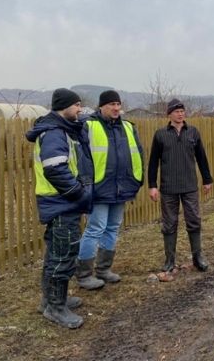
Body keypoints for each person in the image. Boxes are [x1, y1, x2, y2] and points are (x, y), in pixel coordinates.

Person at [25, 88, 93, 329]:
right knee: (64, 254)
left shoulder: (63, 129)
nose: (79, 109)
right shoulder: (55, 133)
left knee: (56, 252)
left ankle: (51, 300)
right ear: (63, 107)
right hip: (62, 202)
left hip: (61, 202)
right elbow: (55, 169)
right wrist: (77, 193)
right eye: (76, 105)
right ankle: (56, 307)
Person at [76, 90, 144, 290]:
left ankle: (103, 269)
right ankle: (84, 274)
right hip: (98, 189)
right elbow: (83, 159)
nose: (116, 108)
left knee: (113, 227)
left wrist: (136, 180)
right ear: (101, 106)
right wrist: (86, 185)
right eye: (111, 104)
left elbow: (138, 154)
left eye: (118, 104)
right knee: (95, 228)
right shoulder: (88, 126)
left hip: (121, 188)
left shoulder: (127, 127)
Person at [148, 98, 213, 273]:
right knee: (169, 224)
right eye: (176, 111)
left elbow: (202, 157)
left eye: (182, 111)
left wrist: (207, 179)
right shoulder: (160, 134)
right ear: (169, 114)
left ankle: (197, 257)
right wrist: (152, 185)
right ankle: (169, 260)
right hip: (168, 187)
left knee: (194, 221)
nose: (180, 113)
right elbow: (153, 161)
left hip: (190, 186)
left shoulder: (193, 132)